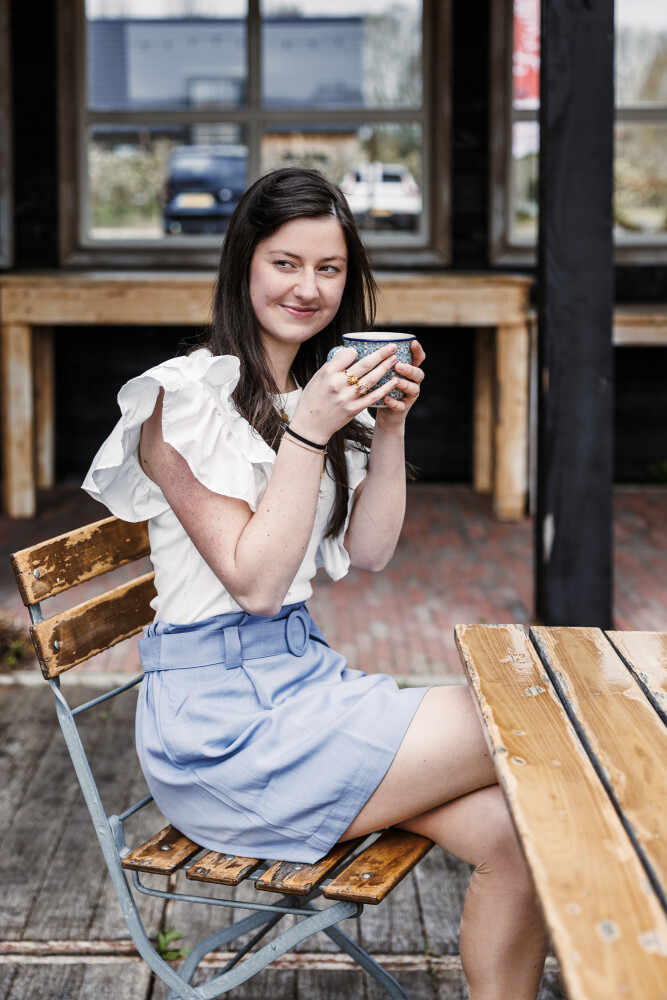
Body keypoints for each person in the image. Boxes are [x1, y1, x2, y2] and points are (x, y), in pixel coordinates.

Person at [83, 167, 548, 999]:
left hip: (304, 689)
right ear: (244, 266)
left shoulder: (313, 396)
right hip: (224, 735)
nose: (308, 287)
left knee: (520, 838)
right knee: (538, 715)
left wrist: (389, 426)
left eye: (328, 269)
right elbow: (257, 585)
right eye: (285, 263)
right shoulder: (181, 402)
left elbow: (369, 552)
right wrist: (309, 431)